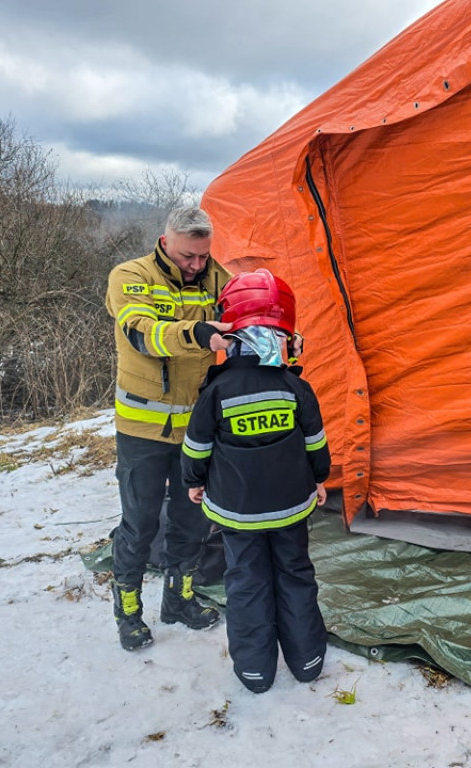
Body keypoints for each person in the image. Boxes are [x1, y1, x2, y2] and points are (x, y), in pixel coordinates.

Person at [181, 268, 332, 693]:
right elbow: (315, 443)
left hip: (237, 511)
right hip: (289, 508)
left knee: (247, 583)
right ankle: (307, 662)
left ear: (232, 331)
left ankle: (255, 671)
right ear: (283, 332)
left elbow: (196, 447)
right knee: (296, 575)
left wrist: (194, 480)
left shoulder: (217, 390)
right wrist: (319, 479)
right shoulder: (294, 387)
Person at [105, 206, 234, 651]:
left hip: (195, 432)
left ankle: (178, 600)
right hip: (142, 429)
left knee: (190, 521)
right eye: (187, 257)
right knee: (139, 524)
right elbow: (142, 332)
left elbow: (247, 313)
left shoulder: (217, 277)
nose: (197, 266)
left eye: (203, 256)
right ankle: (128, 610)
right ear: (165, 243)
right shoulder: (130, 276)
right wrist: (198, 334)